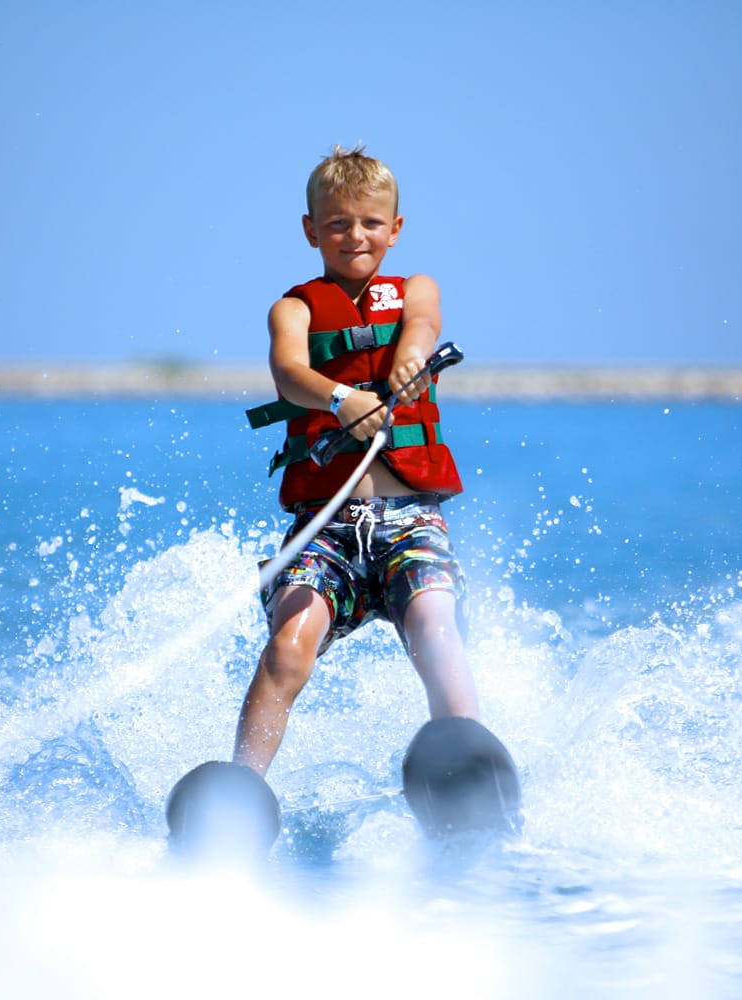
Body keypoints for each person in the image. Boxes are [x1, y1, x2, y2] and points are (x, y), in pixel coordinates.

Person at [233, 145, 480, 775]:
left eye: (371, 222)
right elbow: (289, 371)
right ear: (312, 229)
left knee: (436, 629)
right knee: (288, 650)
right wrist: (341, 396)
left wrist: (410, 354)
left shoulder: (416, 290)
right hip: (328, 526)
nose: (355, 235)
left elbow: (422, 322)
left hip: (410, 520)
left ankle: (469, 764)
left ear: (395, 229)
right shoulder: (294, 308)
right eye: (338, 223)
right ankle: (241, 784)